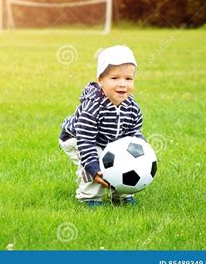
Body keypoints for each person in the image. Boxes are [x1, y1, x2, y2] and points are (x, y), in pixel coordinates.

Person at [59, 45, 145, 207]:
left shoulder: (132, 107)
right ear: (100, 81)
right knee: (97, 160)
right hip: (77, 138)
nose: (122, 84)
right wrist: (92, 167)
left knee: (126, 158)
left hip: (106, 139)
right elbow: (86, 141)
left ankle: (121, 195)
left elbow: (134, 133)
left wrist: (142, 151)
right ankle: (89, 197)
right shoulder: (93, 107)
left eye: (128, 79)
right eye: (114, 78)